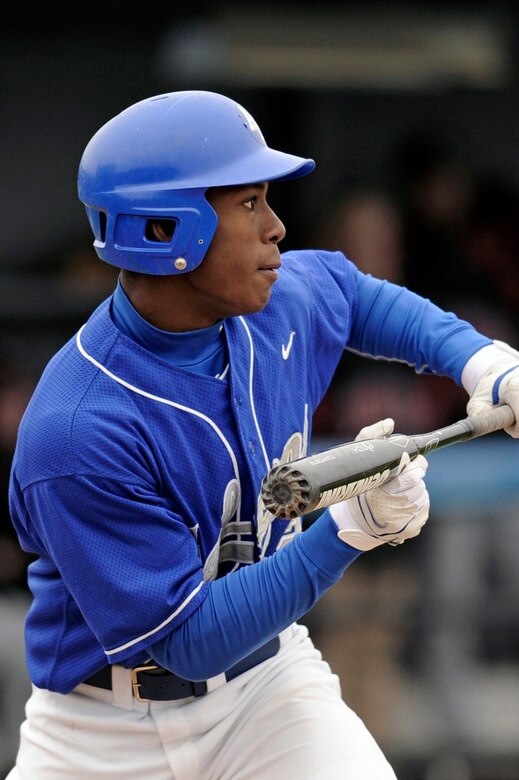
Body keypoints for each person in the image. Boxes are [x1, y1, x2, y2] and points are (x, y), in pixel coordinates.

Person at [6, 90, 519, 780]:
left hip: (265, 695)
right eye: (248, 204)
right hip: (99, 738)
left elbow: (355, 295)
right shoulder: (78, 431)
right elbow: (187, 642)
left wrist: (480, 362)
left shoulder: (267, 302)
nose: (276, 227)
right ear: (164, 231)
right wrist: (345, 532)